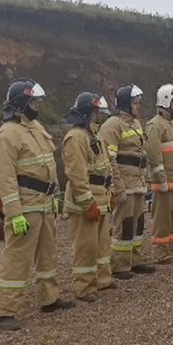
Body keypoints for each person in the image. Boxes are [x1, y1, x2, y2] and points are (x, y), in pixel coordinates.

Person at [0, 79, 74, 331]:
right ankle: (6, 311)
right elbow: (5, 179)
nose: (37, 105)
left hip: (45, 204)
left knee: (48, 256)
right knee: (17, 259)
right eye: (33, 101)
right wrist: (14, 213)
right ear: (21, 103)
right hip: (26, 207)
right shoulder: (7, 135)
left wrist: (57, 198)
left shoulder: (36, 127)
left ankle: (49, 298)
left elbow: (48, 165)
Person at [61, 91, 116, 303]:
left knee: (101, 244)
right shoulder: (75, 138)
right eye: (95, 112)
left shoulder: (95, 135)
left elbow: (104, 166)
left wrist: (108, 193)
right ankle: (83, 287)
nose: (98, 116)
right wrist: (87, 202)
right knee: (85, 246)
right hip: (87, 201)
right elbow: (77, 174)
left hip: (100, 197)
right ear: (87, 112)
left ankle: (102, 280)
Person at [98, 83, 156, 279]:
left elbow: (142, 153)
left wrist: (146, 179)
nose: (138, 106)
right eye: (135, 103)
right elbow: (110, 159)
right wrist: (118, 187)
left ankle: (135, 260)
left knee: (138, 223)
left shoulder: (136, 124)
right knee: (124, 224)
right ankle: (120, 265)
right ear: (125, 104)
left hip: (138, 183)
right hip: (125, 184)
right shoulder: (112, 126)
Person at [145, 83, 173, 263]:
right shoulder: (155, 125)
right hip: (164, 183)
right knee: (162, 218)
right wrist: (161, 180)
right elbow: (155, 157)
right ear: (165, 101)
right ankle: (161, 251)